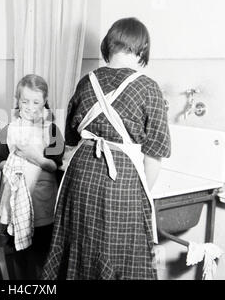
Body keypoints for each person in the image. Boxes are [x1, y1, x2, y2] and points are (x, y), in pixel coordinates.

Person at [42, 18, 171, 280]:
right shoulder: (148, 88)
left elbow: (70, 137)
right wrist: (140, 193)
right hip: (120, 179)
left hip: (80, 175)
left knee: (79, 247)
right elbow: (155, 153)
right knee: (120, 253)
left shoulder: (85, 82)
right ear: (142, 49)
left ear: (107, 46)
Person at [0, 74, 64, 279]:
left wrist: (34, 157)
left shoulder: (51, 130)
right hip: (15, 201)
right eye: (24, 101)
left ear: (45, 101)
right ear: (17, 100)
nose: (30, 107)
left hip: (42, 201)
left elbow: (54, 166)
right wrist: (10, 164)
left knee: (41, 253)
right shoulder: (9, 129)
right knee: (19, 251)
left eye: (36, 102)